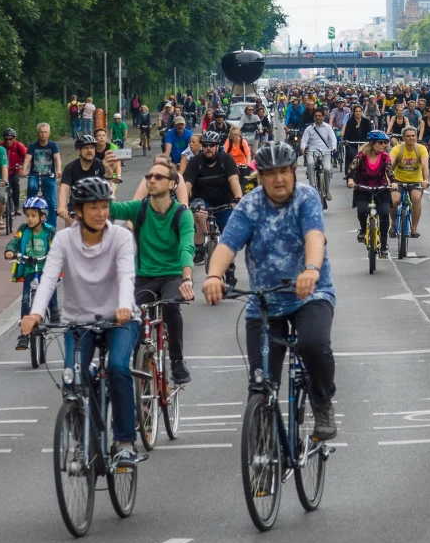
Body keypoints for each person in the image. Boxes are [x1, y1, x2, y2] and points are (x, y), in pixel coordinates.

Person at [202, 141, 338, 440]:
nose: (279, 179)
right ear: (260, 177)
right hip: (265, 302)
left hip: (310, 293)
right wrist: (213, 275)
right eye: (270, 173)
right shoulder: (250, 205)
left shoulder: (306, 198)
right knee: (261, 381)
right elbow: (227, 244)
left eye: (285, 172)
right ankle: (263, 447)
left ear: (294, 172)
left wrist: (311, 270)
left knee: (313, 345)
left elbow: (314, 236)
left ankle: (321, 401)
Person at [21, 177, 142, 465]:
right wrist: (36, 313)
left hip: (119, 319)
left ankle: (124, 442)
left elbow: (127, 274)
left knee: (117, 367)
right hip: (78, 322)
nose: (101, 213)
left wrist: (125, 306)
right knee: (72, 380)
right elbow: (49, 276)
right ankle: (80, 441)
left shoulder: (121, 237)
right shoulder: (64, 239)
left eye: (105, 206)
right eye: (93, 208)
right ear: (78, 211)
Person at [110, 159, 196, 385]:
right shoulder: (139, 209)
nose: (152, 180)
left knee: (170, 305)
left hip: (172, 274)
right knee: (135, 316)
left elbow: (187, 247)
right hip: (144, 276)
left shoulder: (182, 214)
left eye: (158, 177)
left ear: (172, 184)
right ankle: (140, 363)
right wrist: (109, 177)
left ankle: (177, 361)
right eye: (149, 177)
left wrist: (187, 278)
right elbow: (108, 207)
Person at [183, 130, 244, 267]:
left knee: (229, 234)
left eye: (211, 145)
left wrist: (237, 198)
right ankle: (199, 247)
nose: (208, 148)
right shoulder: (195, 162)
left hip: (225, 201)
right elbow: (187, 184)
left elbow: (234, 180)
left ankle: (230, 268)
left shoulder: (226, 159)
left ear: (217, 146)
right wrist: (184, 202)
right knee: (198, 215)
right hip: (202, 199)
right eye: (205, 145)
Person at [7, 196, 58, 346]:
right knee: (25, 299)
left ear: (42, 217)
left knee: (50, 287)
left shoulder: (49, 231)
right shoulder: (23, 230)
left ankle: (54, 310)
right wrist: (10, 250)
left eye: (33, 215)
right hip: (29, 268)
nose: (29, 219)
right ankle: (24, 333)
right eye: (27, 215)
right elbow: (14, 241)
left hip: (46, 268)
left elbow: (58, 245)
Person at [346, 131, 393, 258]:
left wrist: (393, 183)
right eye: (381, 142)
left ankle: (383, 246)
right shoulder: (361, 155)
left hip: (381, 189)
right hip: (363, 189)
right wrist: (350, 180)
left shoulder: (385, 157)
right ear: (372, 143)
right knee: (362, 210)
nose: (384, 145)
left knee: (384, 213)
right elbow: (351, 169)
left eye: (385, 142)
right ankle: (363, 229)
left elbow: (390, 172)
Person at [390, 126, 430, 237]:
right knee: (394, 200)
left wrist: (426, 179)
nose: (411, 138)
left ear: (416, 137)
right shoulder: (397, 149)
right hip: (398, 180)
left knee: (416, 198)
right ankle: (393, 224)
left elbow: (425, 166)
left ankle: (414, 228)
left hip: (415, 181)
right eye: (408, 136)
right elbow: (389, 165)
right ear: (403, 138)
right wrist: (390, 180)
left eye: (413, 136)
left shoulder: (421, 149)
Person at [58, 134, 106, 223]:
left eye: (92, 147)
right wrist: (62, 207)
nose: (89, 150)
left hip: (96, 206)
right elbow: (64, 189)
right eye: (85, 148)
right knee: (70, 227)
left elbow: (108, 185)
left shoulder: (100, 165)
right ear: (78, 151)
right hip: (76, 207)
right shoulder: (70, 167)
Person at [22, 123, 61, 229]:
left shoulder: (53, 145)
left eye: (45, 132)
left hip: (49, 175)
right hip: (35, 174)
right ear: (37, 133)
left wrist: (58, 170)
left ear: (49, 133)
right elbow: (27, 159)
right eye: (41, 132)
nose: (43, 134)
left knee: (52, 202)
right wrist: (24, 170)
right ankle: (30, 208)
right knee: (32, 186)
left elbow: (57, 158)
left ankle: (51, 227)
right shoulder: (32, 146)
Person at [300, 106, 339, 199]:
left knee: (327, 169)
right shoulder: (309, 129)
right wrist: (303, 148)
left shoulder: (328, 127)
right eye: (316, 116)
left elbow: (333, 138)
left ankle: (327, 190)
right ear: (314, 117)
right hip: (312, 152)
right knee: (310, 164)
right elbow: (304, 140)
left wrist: (334, 147)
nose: (317, 117)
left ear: (323, 117)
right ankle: (312, 187)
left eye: (319, 116)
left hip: (326, 152)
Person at [0, 129, 27, 214]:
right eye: (6, 139)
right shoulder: (0, 146)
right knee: (1, 187)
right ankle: (3, 207)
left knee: (15, 183)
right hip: (3, 171)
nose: (8, 141)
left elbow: (27, 157)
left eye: (10, 139)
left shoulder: (19, 146)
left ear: (14, 138)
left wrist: (22, 167)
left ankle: (16, 206)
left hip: (14, 169)